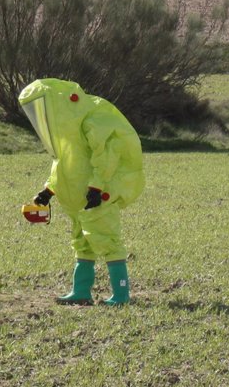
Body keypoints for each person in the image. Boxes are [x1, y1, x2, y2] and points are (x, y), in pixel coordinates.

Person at [18, 78, 145, 306]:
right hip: (77, 200)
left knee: (108, 241)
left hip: (98, 197)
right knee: (82, 243)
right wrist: (49, 191)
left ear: (54, 106)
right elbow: (64, 167)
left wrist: (96, 187)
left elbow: (105, 158)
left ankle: (121, 295)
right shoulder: (66, 139)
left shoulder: (90, 122)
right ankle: (81, 291)